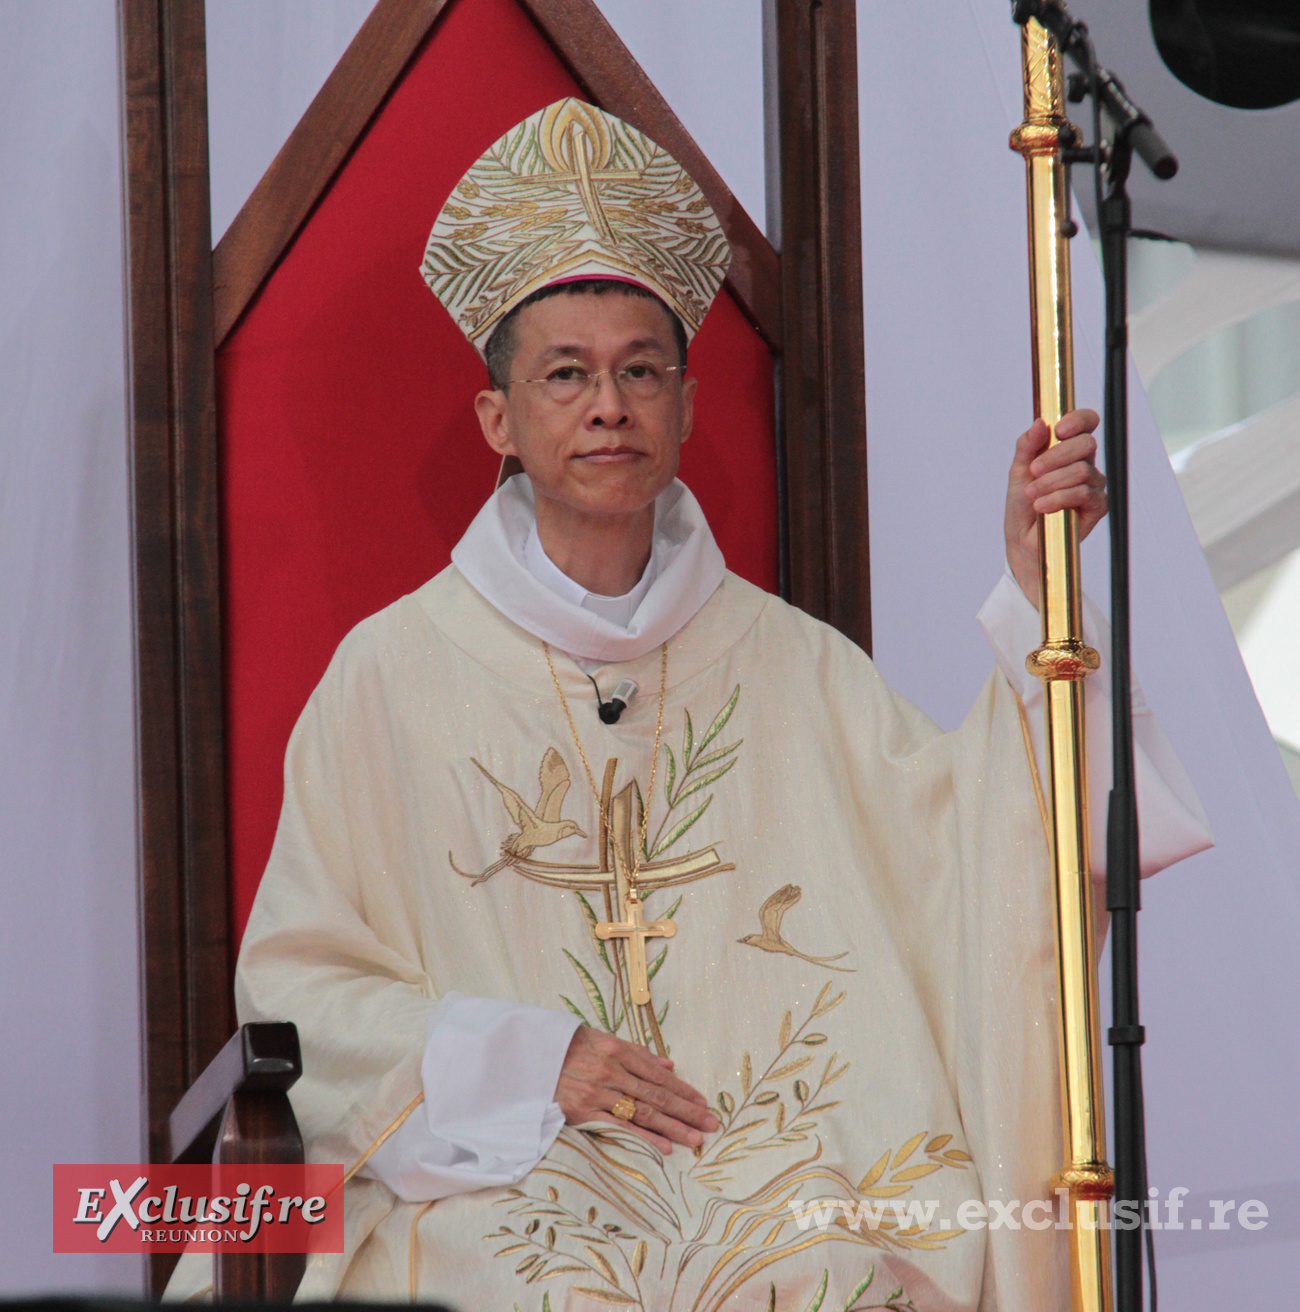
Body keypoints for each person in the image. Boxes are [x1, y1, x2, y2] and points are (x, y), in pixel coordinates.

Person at [167, 99, 1210, 1310]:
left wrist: (1040, 605)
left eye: (639, 370)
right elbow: (300, 991)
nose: (607, 404)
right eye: (565, 374)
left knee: (837, 1273)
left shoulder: (797, 667)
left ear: (685, 405)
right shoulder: (387, 678)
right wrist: (523, 1057)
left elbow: (974, 860)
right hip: (507, 1175)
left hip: (761, 1175)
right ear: (497, 421)